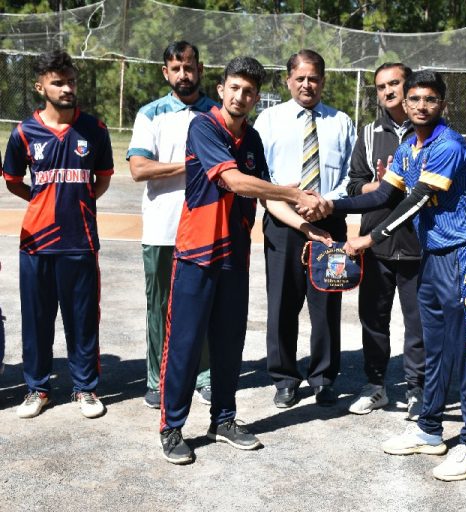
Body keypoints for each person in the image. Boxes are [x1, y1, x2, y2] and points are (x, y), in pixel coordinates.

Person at [158, 56, 327, 464]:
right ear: (221, 89)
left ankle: (223, 420)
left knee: (229, 344)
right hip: (197, 255)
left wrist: (307, 227)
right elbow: (233, 180)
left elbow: (267, 196)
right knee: (184, 344)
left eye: (249, 91)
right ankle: (171, 427)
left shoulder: (252, 139)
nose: (240, 96)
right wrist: (293, 192)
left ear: (256, 97)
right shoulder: (203, 126)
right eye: (234, 88)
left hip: (234, 257)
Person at [329, 70, 466, 481]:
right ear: (405, 103)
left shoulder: (449, 144)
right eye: (415, 99)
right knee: (434, 347)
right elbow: (385, 195)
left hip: (461, 255)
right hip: (432, 256)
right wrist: (331, 205)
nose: (421, 106)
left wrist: (368, 239)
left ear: (443, 105)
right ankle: (430, 430)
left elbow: (416, 200)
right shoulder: (407, 148)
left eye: (430, 99)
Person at [3, 49, 112, 419]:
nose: (67, 88)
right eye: (58, 82)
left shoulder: (95, 130)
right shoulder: (23, 133)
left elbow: (102, 180)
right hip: (36, 242)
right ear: (40, 87)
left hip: (80, 241)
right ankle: (37, 388)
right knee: (36, 320)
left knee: (82, 319)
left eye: (71, 81)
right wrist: (42, 200)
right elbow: (13, 181)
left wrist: (78, 201)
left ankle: (85, 388)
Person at [254, 49, 356, 408]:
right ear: (288, 81)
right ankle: (284, 378)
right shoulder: (269, 120)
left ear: (323, 81)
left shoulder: (341, 122)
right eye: (300, 78)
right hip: (283, 222)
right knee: (282, 303)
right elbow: (261, 177)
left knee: (327, 304)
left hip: (330, 223)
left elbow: (352, 176)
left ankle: (324, 377)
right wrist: (296, 204)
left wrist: (326, 202)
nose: (307, 84)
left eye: (313, 78)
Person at [127, 41, 217, 410]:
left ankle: (205, 376)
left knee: (205, 304)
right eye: (176, 68)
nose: (183, 74)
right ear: (166, 73)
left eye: (189, 67)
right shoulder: (150, 114)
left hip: (207, 228)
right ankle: (157, 378)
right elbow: (138, 168)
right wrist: (192, 163)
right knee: (160, 306)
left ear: (200, 69)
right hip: (162, 228)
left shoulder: (217, 113)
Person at [346, 63, 425, 419]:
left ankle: (417, 390)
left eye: (395, 83)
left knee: (417, 323)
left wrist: (407, 184)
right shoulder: (368, 133)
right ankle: (375, 386)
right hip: (374, 244)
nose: (388, 91)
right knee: (373, 319)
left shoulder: (429, 130)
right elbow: (354, 184)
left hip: (417, 243)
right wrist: (378, 186)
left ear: (409, 86)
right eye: (381, 87)